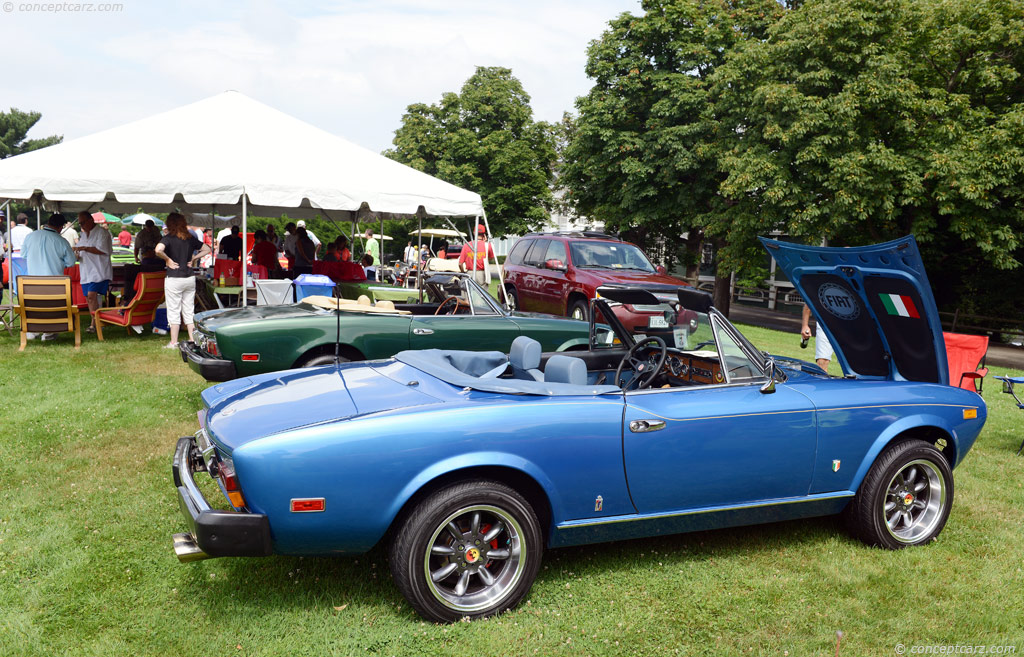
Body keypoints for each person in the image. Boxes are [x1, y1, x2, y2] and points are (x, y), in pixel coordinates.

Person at [155, 212, 210, 349]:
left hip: (174, 278)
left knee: (173, 310)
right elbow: (207, 249)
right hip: (189, 277)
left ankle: (174, 342)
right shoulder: (190, 238)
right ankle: (193, 340)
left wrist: (167, 259)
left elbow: (158, 250)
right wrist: (194, 259)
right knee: (189, 311)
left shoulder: (168, 238)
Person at [21, 213, 77, 342]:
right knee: (53, 307)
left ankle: (32, 331)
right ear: (61, 227)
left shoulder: (30, 236)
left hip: (32, 284)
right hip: (55, 284)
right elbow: (71, 262)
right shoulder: (61, 241)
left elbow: (23, 255)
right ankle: (49, 333)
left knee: (35, 305)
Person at [73, 210, 113, 333]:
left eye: (83, 222)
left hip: (99, 271)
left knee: (92, 295)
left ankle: (94, 324)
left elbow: (103, 250)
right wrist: (77, 253)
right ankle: (95, 321)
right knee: (89, 298)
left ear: (91, 220)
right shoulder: (84, 234)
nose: (81, 226)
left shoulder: (103, 233)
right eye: (79, 224)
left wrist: (84, 248)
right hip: (86, 271)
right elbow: (80, 250)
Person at [801, 304, 834, 372]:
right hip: (825, 322)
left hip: (849, 323)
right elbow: (808, 303)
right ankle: (822, 381)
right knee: (822, 362)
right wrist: (805, 325)